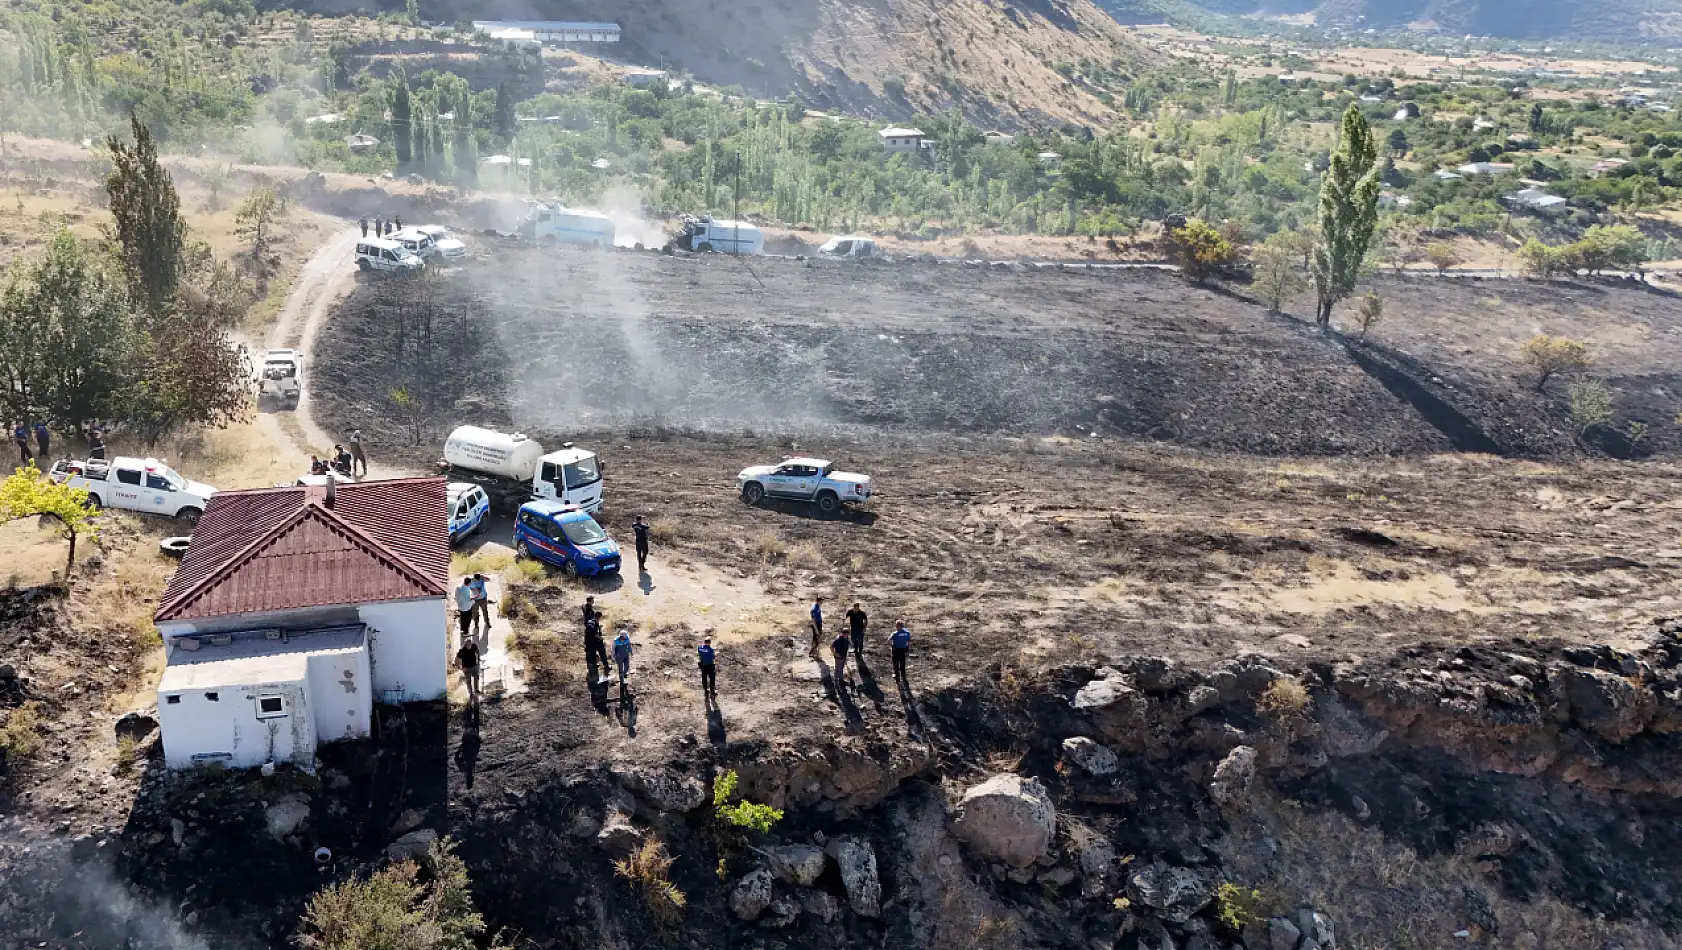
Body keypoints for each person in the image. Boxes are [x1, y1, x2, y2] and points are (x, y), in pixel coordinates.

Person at [584, 613, 610, 679]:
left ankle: (598, 667)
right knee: (602, 654)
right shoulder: (592, 624)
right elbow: (595, 634)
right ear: (598, 617)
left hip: (591, 643)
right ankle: (603, 667)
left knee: (595, 655)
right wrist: (601, 638)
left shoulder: (591, 622)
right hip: (594, 643)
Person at [457, 638, 481, 704]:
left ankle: (476, 690)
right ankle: (471, 693)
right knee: (468, 681)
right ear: (465, 644)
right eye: (468, 645)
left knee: (476, 677)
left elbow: (477, 651)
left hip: (473, 666)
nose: (469, 646)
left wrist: (478, 659)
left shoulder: (474, 646)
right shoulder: (462, 651)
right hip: (466, 668)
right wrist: (461, 668)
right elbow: (457, 660)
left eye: (470, 644)